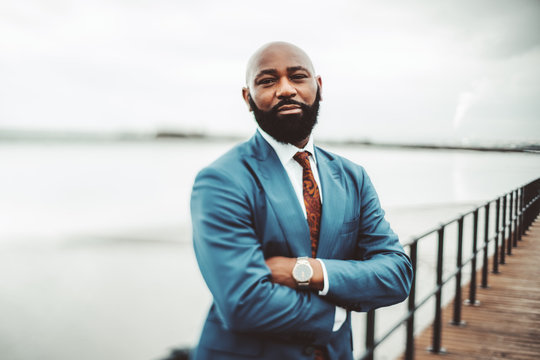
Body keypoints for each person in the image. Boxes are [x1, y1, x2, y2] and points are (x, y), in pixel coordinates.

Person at [190, 41, 413, 360]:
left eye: (297, 76)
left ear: (318, 87)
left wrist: (306, 271)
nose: (285, 89)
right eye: (267, 80)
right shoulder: (223, 179)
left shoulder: (353, 177)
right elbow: (244, 303)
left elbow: (396, 274)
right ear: (247, 98)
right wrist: (338, 313)